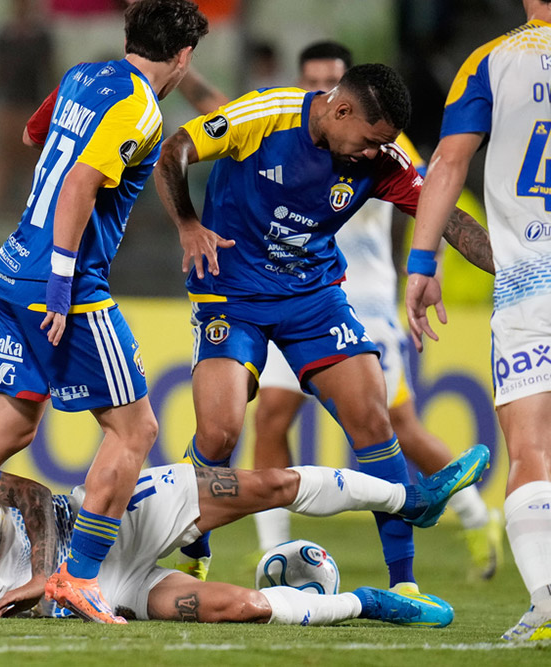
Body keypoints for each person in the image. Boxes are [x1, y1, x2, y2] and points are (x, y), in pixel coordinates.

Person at [0, 0, 209, 624]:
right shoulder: (141, 108)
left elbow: (33, 132)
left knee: (10, 427)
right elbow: (80, 184)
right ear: (183, 57)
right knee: (135, 431)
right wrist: (60, 282)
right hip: (66, 281)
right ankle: (78, 580)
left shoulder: (83, 75)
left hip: (10, 263)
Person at [153, 62, 495, 597]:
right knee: (219, 433)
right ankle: (194, 548)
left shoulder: (383, 157)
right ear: (340, 109)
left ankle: (403, 586)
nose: (370, 154)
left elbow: (446, 214)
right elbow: (174, 150)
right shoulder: (266, 116)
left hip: (312, 298)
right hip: (231, 294)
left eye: (381, 145)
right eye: (367, 140)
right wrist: (189, 225)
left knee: (373, 419)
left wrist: (517, 268)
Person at [250, 41, 502, 582]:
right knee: (270, 415)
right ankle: (274, 551)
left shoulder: (381, 139)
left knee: (396, 427)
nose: (320, 82)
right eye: (313, 75)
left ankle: (476, 515)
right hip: (292, 291)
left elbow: (428, 198)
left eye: (331, 74)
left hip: (365, 297)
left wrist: (425, 265)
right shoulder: (288, 127)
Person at [0, 444, 490, 625]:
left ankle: (413, 498)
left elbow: (30, 496)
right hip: (100, 589)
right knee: (241, 607)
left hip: (100, 523)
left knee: (268, 484)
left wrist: (46, 571)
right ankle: (373, 603)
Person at [404, 0, 551, 642]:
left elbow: (447, 165)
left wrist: (422, 260)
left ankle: (547, 600)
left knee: (531, 450)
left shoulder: (489, 62)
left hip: (529, 286)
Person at [0, 0, 57, 205]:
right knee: (3, 161)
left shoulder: (42, 38)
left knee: (32, 163)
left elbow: (49, 73)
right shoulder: (3, 37)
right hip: (8, 106)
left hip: (31, 105)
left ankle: (30, 211)